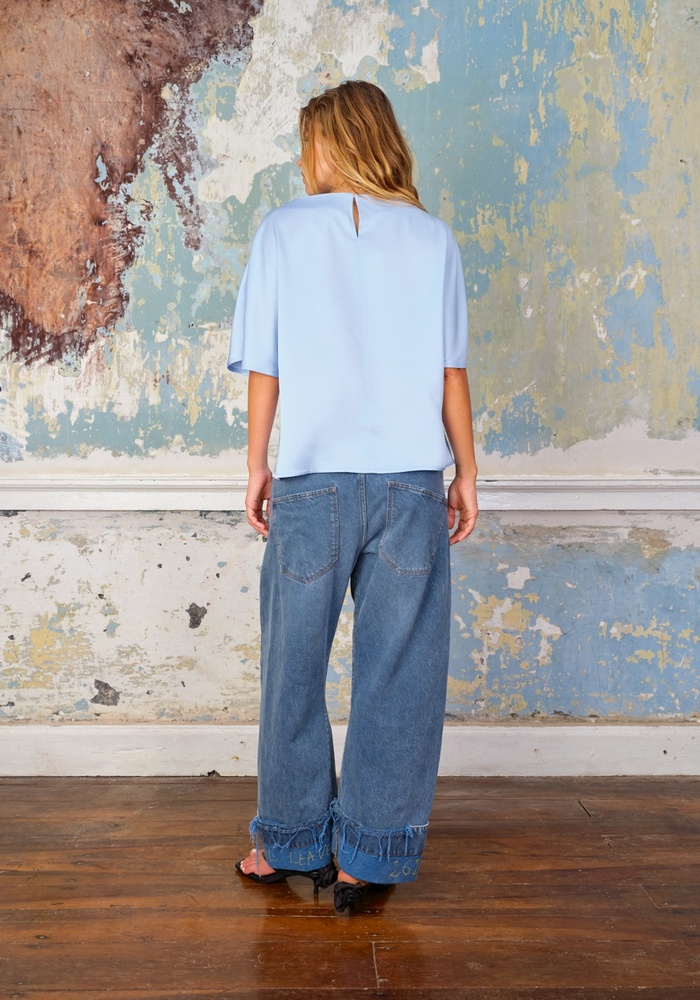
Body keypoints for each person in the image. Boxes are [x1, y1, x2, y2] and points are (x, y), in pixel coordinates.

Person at [228, 80, 478, 914]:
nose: (305, 161)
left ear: (329, 145)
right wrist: (466, 471)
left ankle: (288, 841)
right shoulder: (434, 238)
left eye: (310, 145)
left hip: (312, 479)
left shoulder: (283, 230)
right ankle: (369, 857)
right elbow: (451, 371)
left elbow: (266, 365)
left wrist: (256, 463)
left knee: (291, 668)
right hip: (411, 483)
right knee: (400, 672)